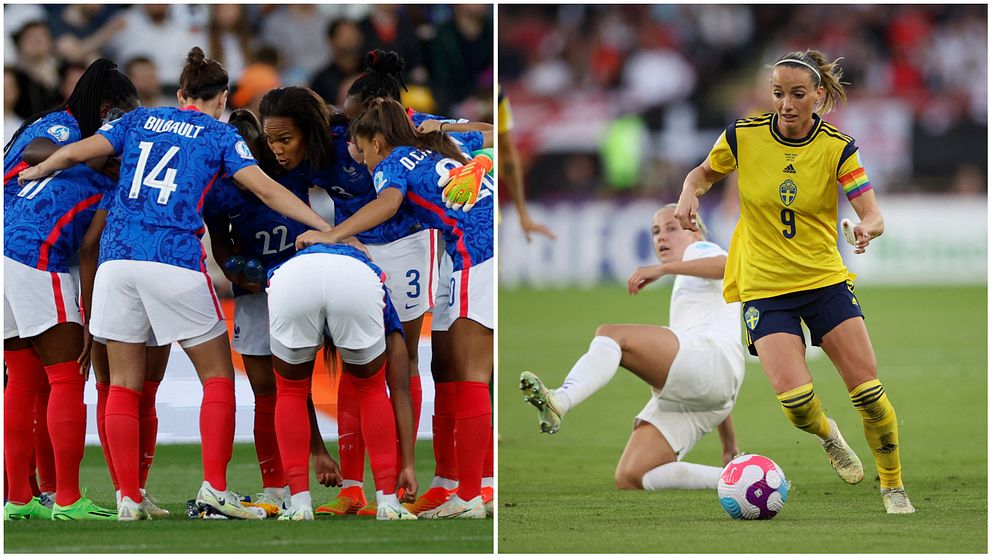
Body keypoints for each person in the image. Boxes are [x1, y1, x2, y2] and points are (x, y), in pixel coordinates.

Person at [17, 47, 333, 521]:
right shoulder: (221, 135)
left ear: (180, 93)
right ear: (222, 98)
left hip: (116, 259)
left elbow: (83, 150)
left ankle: (128, 497)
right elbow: (267, 188)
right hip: (171, 257)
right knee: (217, 377)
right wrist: (326, 229)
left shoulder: (138, 121)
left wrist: (43, 167)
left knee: (122, 384)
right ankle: (215, 490)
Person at [673, 50, 913, 514]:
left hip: (824, 281)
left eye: (797, 95)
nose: (785, 104)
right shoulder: (744, 135)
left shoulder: (838, 147)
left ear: (818, 96)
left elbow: (872, 211)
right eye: (779, 94)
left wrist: (868, 228)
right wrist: (689, 192)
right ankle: (828, 435)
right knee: (797, 403)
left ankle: (893, 485)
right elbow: (703, 174)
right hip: (764, 286)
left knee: (868, 393)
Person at [297, 98, 494, 519]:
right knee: (460, 370)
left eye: (364, 150)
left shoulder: (394, 160)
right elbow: (492, 138)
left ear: (378, 141)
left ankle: (471, 496)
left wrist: (333, 234)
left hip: (475, 251)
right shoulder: (439, 146)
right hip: (488, 244)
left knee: (470, 374)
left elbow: (386, 203)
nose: (364, 161)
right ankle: (469, 488)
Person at [520, 205, 743, 491]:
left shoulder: (700, 249)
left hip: (714, 363)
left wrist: (663, 269)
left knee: (612, 336)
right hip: (711, 390)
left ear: (694, 229)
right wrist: (730, 445)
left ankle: (561, 400)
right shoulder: (688, 279)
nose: (662, 237)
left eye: (671, 228)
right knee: (632, 475)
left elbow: (728, 266)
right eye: (655, 231)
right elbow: (715, 384)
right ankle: (738, 478)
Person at [4, 58, 138, 521]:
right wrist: (89, 314)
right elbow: (37, 156)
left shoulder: (90, 167)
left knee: (21, 380)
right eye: (120, 121)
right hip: (36, 252)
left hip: (7, 243)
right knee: (65, 376)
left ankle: (18, 500)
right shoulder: (62, 131)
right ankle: (66, 498)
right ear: (104, 111)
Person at [203, 108, 341, 514]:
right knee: (265, 391)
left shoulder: (291, 174)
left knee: (293, 384)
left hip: (297, 283)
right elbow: (221, 243)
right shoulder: (221, 191)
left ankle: (318, 458)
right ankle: (275, 487)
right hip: (254, 292)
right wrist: (233, 270)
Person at [266, 241, 418, 521]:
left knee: (290, 391)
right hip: (354, 280)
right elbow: (399, 390)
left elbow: (300, 396)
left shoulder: (302, 262)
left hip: (292, 276)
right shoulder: (378, 290)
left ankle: (299, 503)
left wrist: (318, 452)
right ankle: (387, 502)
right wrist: (407, 465)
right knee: (372, 389)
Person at [497, 85, 555, 242]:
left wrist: (523, 214)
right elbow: (508, 156)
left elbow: (510, 157)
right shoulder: (497, 94)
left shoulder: (497, 95)